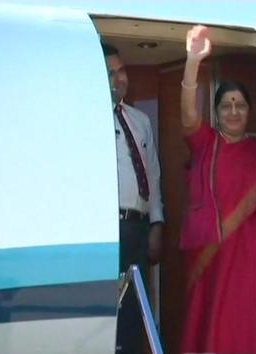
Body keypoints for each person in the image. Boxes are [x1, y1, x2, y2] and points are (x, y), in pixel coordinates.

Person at [179, 25, 256, 354]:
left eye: (239, 105)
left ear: (249, 111)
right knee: (211, 322)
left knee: (246, 323)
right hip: (211, 254)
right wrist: (192, 61)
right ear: (216, 112)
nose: (233, 111)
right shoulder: (206, 144)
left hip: (251, 253)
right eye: (226, 105)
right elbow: (188, 115)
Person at [102, 43, 164, 354]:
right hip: (106, 229)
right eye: (110, 72)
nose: (118, 78)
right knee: (106, 312)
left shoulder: (140, 120)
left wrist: (157, 223)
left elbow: (152, 174)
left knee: (136, 311)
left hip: (138, 230)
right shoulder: (87, 121)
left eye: (121, 70)